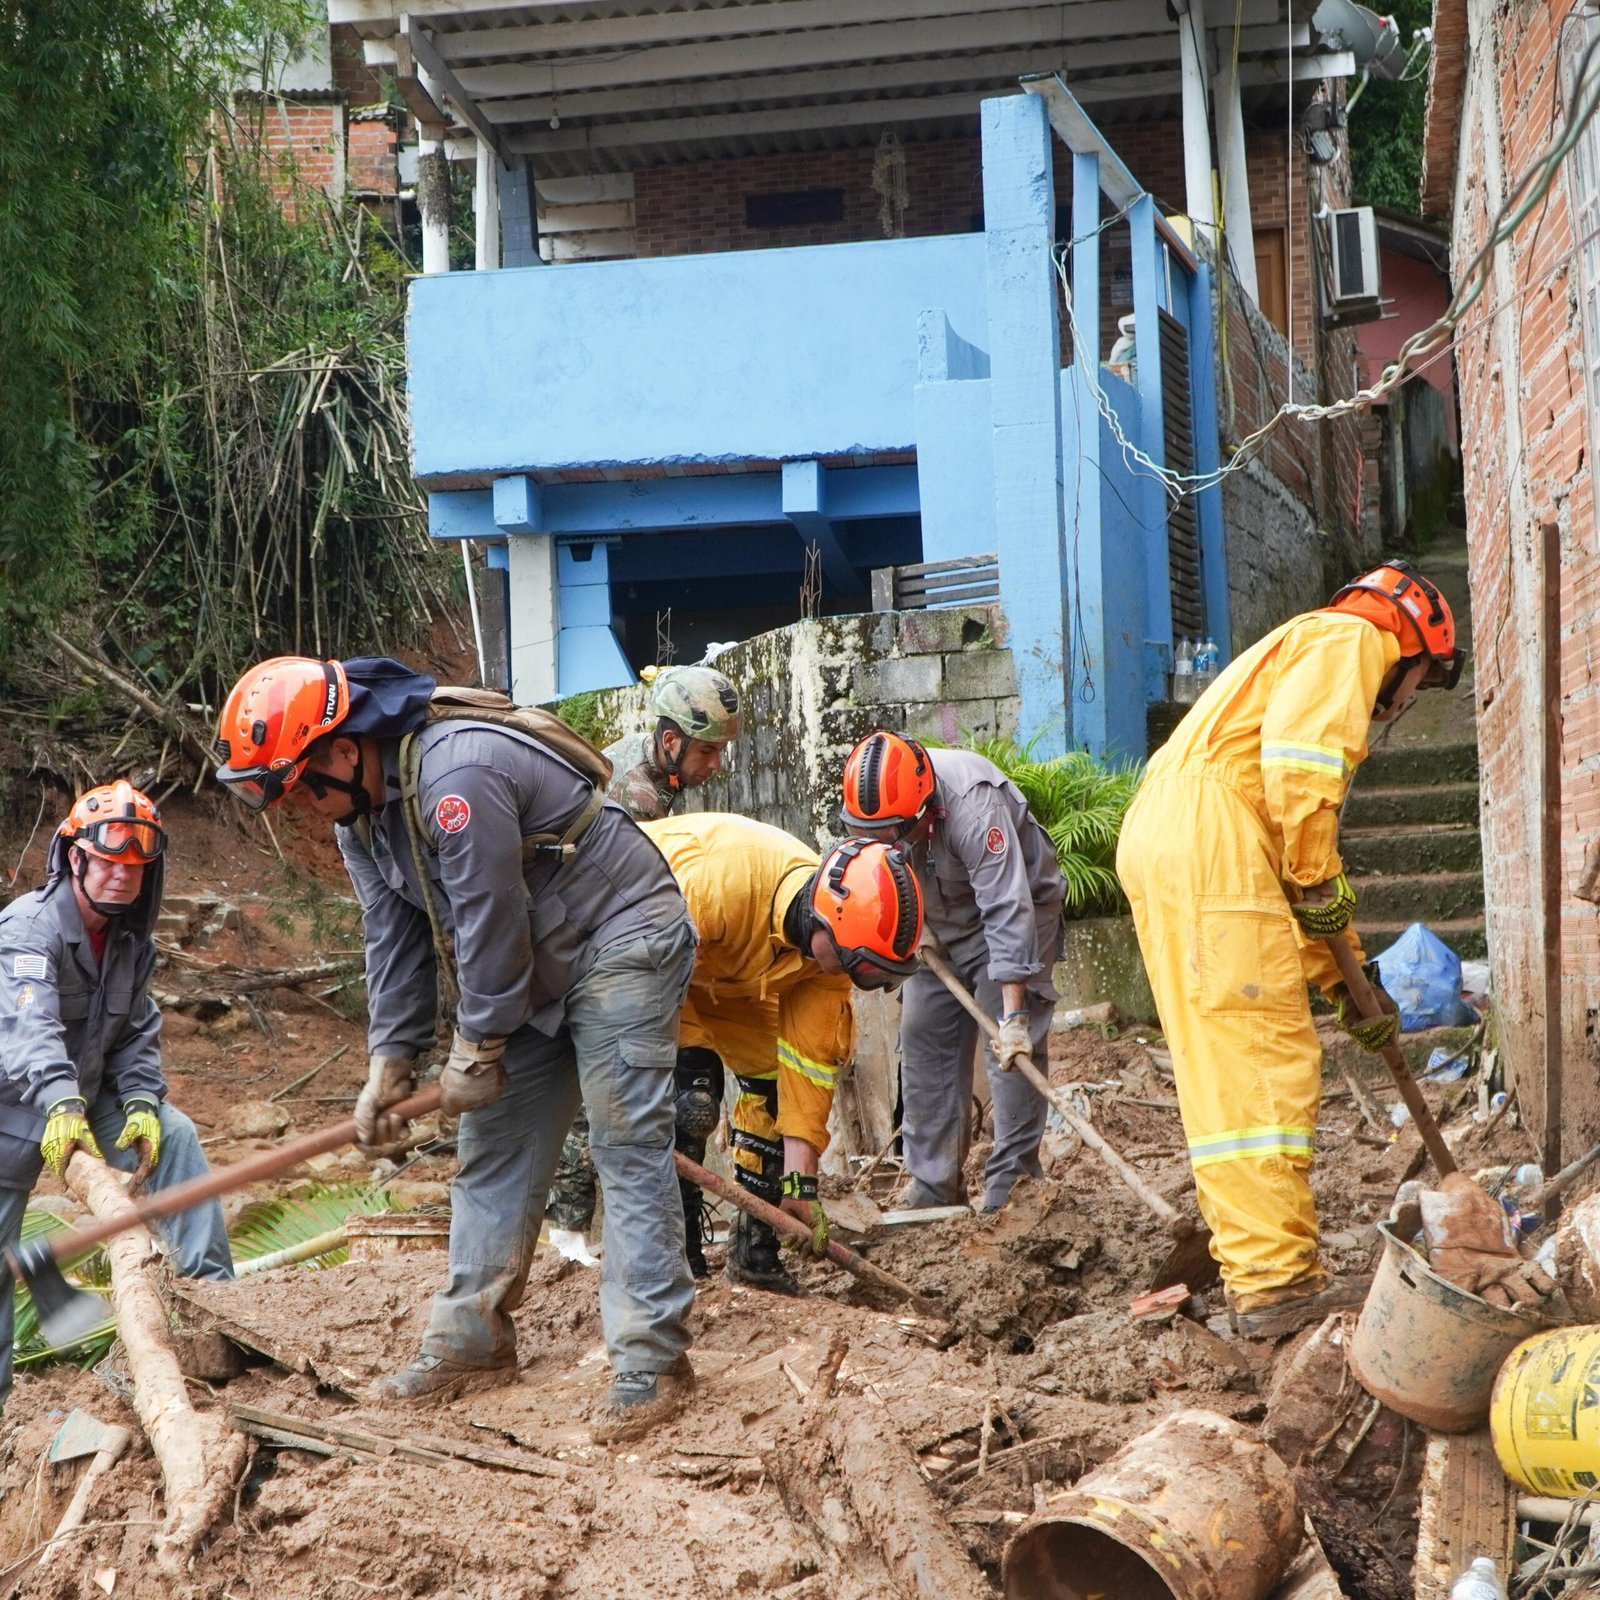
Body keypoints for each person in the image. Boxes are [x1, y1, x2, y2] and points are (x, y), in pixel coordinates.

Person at [215, 656, 698, 1443]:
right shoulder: (362, 815)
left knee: (624, 1139)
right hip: (538, 961)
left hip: (622, 934)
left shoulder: (455, 779)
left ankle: (652, 1361)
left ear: (342, 751)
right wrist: (391, 1060)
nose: (299, 808)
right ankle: (472, 1341)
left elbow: (489, 917)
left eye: (299, 785)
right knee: (493, 1142)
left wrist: (477, 1045)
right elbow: (394, 935)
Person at [1115, 560, 1465, 1338]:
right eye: (1421, 685)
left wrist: (1349, 984)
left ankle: (1257, 1262)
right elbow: (1300, 789)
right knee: (1260, 1065)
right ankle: (1276, 1284)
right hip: (1210, 841)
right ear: (1411, 648)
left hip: (1184, 838)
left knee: (1228, 1066)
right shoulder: (1349, 641)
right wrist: (1322, 880)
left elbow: (1284, 858)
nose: (1406, 704)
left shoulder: (1302, 651)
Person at [0, 782, 233, 1402]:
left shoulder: (131, 941)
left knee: (175, 1134)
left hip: (84, 1091)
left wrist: (139, 1099)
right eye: (107, 861)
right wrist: (60, 1102)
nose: (120, 877)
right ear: (75, 857)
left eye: (133, 866)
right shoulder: (28, 931)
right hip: (12, 1106)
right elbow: (29, 1029)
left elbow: (133, 1030)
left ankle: (220, 1312)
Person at [641, 813, 923, 1292]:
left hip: (726, 975)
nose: (856, 980)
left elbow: (806, 1071)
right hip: (646, 958)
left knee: (775, 1092)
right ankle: (672, 1259)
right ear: (824, 923)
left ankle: (755, 1256)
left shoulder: (824, 961)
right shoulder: (715, 886)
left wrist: (799, 1185)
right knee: (691, 1099)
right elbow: (633, 979)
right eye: (858, 967)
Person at [544, 664, 743, 1267]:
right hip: (585, 943)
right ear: (673, 740)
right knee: (598, 1090)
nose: (716, 766)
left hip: (603, 936)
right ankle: (567, 1234)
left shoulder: (654, 774)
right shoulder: (634, 795)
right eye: (707, 751)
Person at [839, 732, 1067, 1213]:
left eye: (892, 833)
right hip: (939, 928)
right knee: (923, 1038)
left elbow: (1008, 908)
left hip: (1012, 917)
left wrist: (1014, 1018)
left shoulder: (972, 806)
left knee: (1007, 1058)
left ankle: (1013, 1186)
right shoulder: (875, 813)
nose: (882, 843)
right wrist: (907, 927)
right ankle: (933, 1186)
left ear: (924, 813)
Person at [603, 664, 742, 823]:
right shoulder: (636, 800)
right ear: (669, 741)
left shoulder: (648, 748)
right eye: (706, 750)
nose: (716, 765)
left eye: (721, 750)